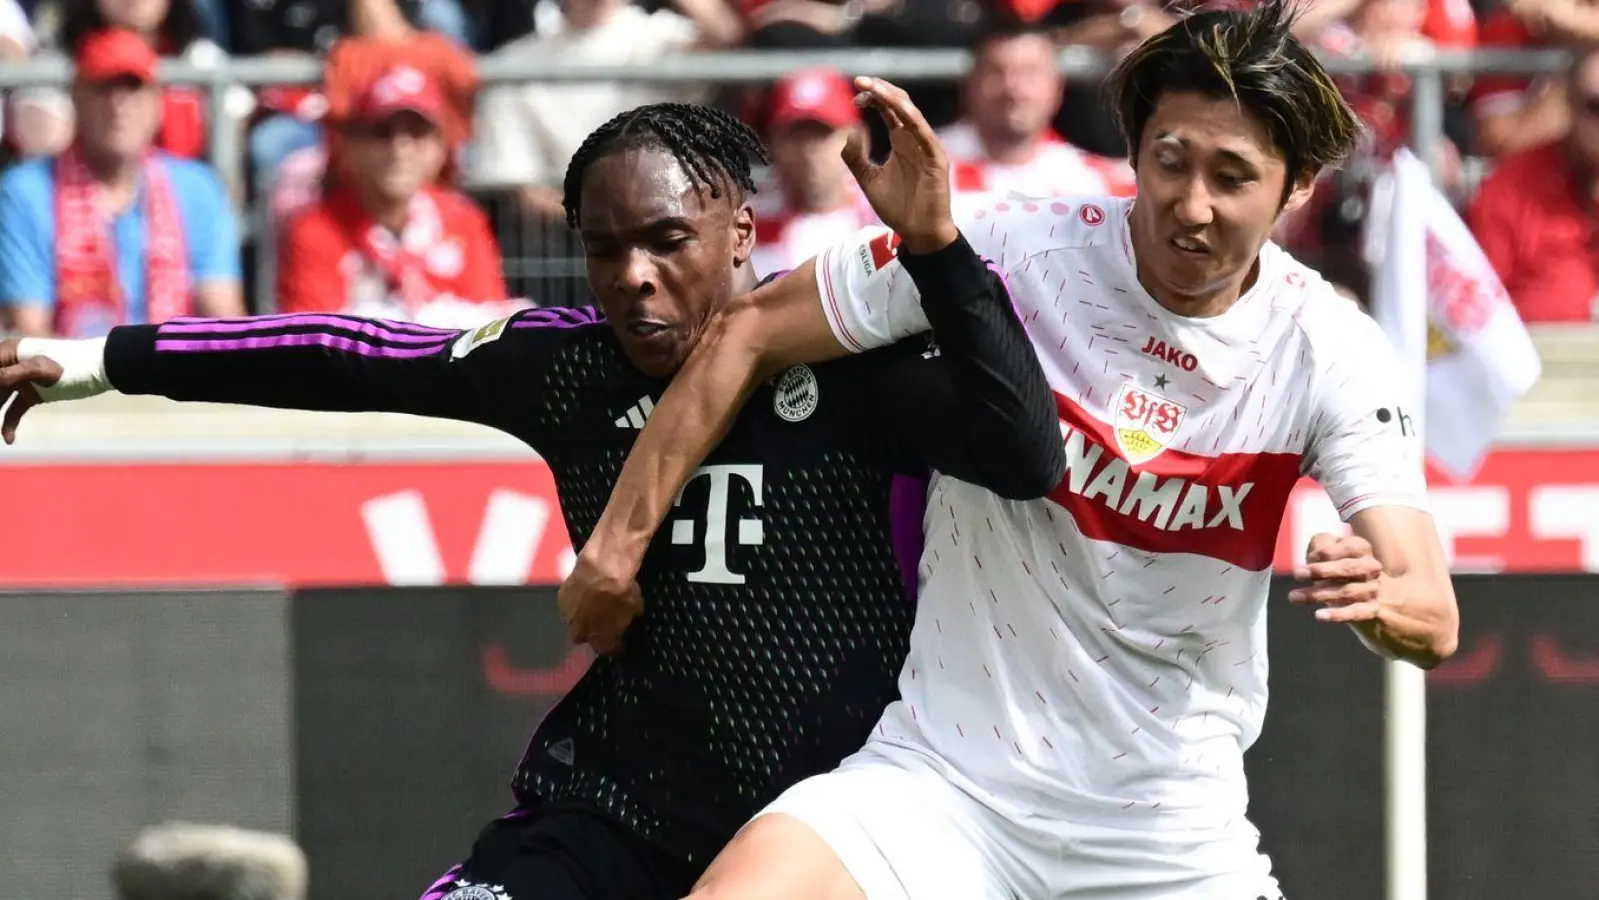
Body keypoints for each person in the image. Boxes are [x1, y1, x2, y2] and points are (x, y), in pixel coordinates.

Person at [0, 99, 1064, 900]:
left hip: (828, 824)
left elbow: (1024, 452)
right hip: (613, 812)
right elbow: (347, 352)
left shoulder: (857, 372)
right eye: (604, 250)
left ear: (742, 231)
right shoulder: (563, 369)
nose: (632, 276)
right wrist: (101, 359)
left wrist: (937, 247)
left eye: (666, 240)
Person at [565, 3, 1462, 898]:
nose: (1190, 206)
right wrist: (613, 548)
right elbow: (749, 328)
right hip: (942, 789)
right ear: (1134, 150)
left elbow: (1431, 610)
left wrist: (1388, 605)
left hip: (1168, 835)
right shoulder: (1016, 250)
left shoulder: (1328, 349)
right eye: (1170, 161)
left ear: (1296, 186)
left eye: (1231, 177)